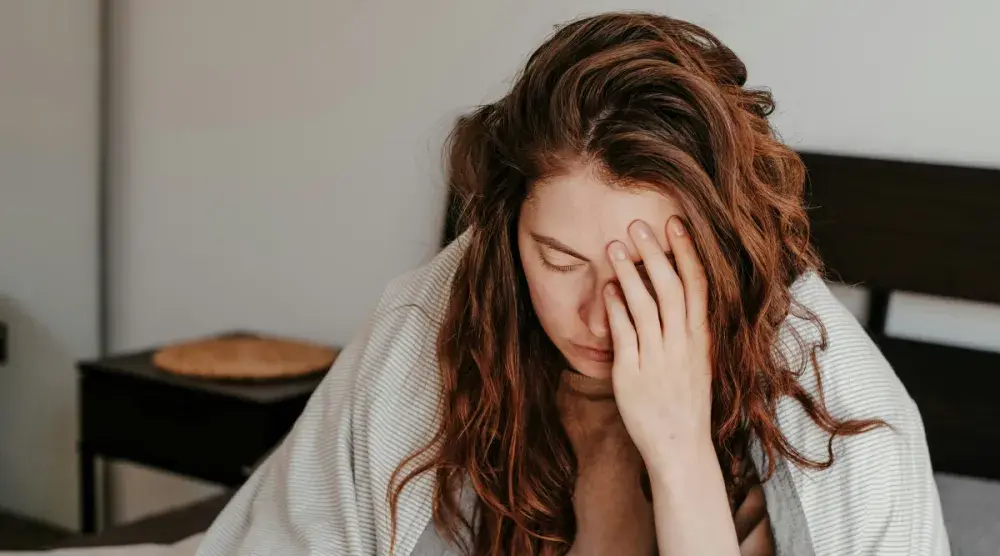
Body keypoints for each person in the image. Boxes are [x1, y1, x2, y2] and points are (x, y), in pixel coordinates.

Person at [195, 11, 949, 556]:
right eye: (557, 260)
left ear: (715, 247)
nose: (594, 314)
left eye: (642, 273)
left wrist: (678, 445)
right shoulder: (437, 313)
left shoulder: (844, 409)